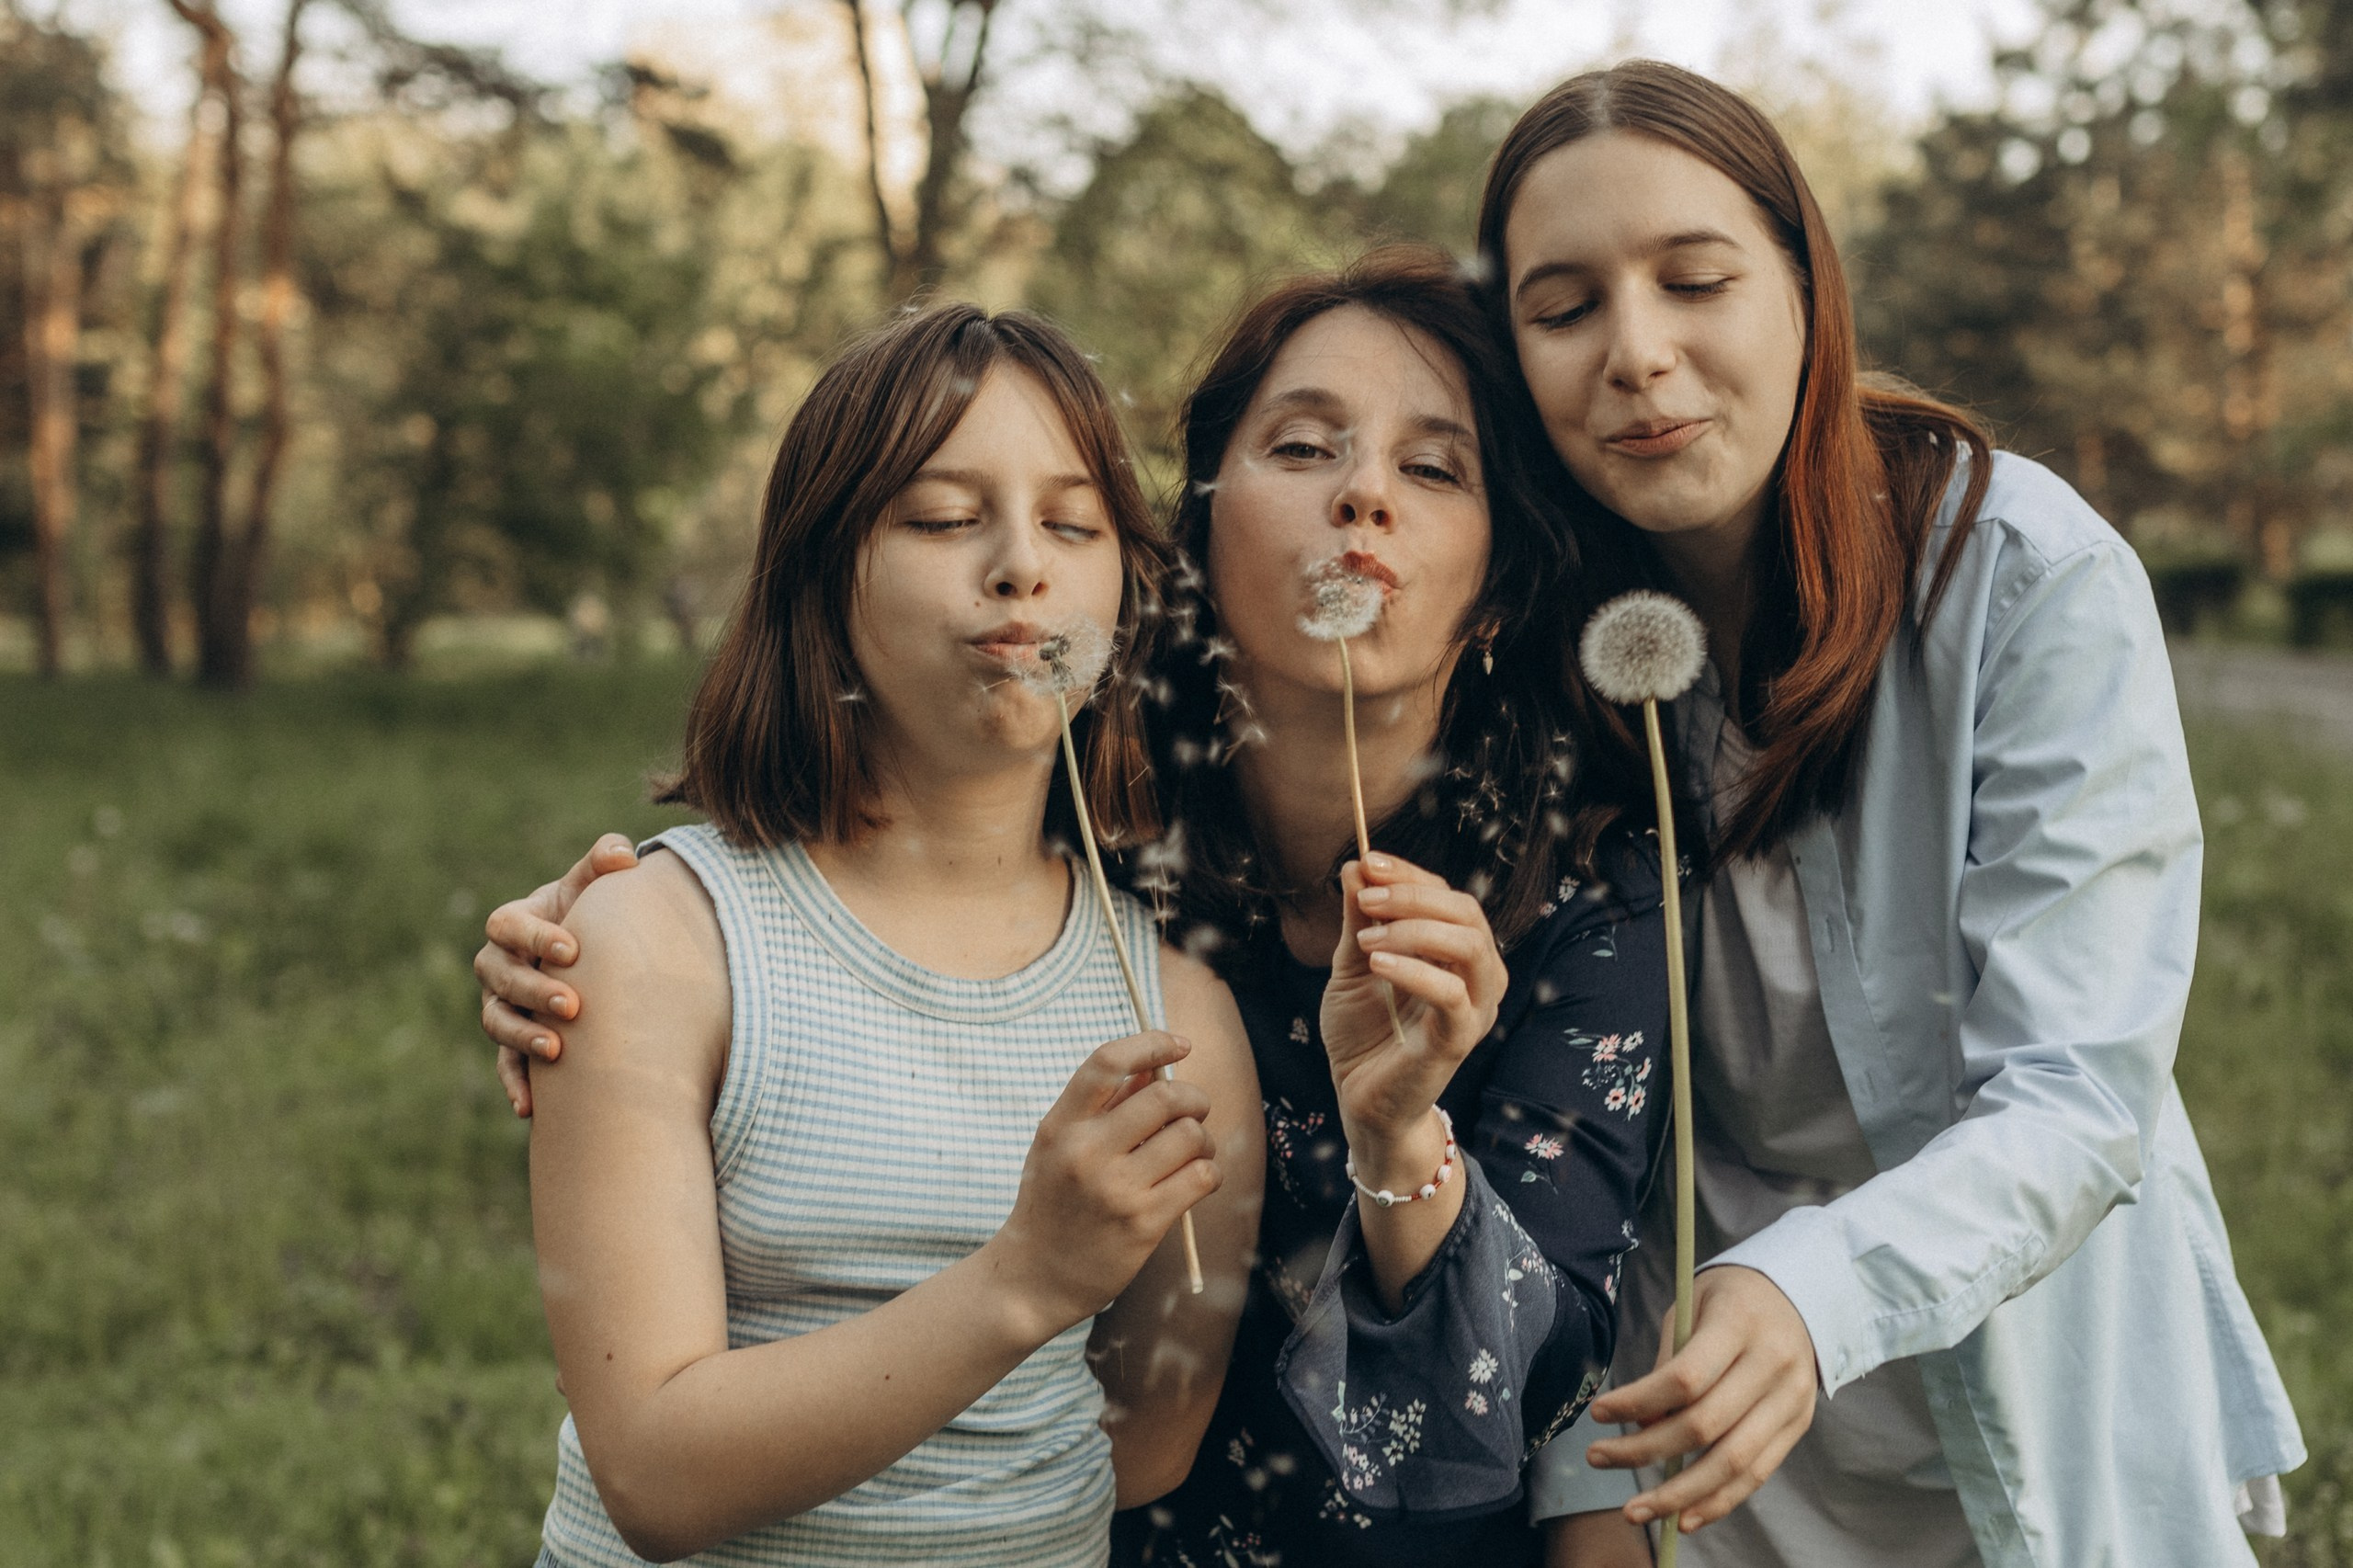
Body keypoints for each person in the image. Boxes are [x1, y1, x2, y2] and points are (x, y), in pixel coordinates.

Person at [477, 248, 1675, 1567]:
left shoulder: (1564, 901)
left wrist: (1400, 1140)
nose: (1365, 498)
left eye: (1435, 468)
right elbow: (875, 859)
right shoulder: (1079, 781)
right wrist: (596, 940)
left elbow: (1518, 1380)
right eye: (1303, 447)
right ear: (1198, 530)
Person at [1473, 61, 2305, 1568]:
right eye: (1565, 306)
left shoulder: (2024, 578)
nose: (1638, 354)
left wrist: (1814, 1288)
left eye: (1695, 278)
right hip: (1719, 1450)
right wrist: (1584, 1479)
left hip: (2037, 1392)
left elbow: (2078, 1093)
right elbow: (1574, 1117)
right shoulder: (1529, 640)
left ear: (1804, 283)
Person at [513, 301, 1266, 1568]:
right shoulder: (659, 943)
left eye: (1072, 524)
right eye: (941, 516)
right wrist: (1025, 1278)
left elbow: (1152, 1435)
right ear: (822, 571)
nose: (1022, 562)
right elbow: (650, 1470)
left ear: (1124, 592)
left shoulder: (1177, 1014)